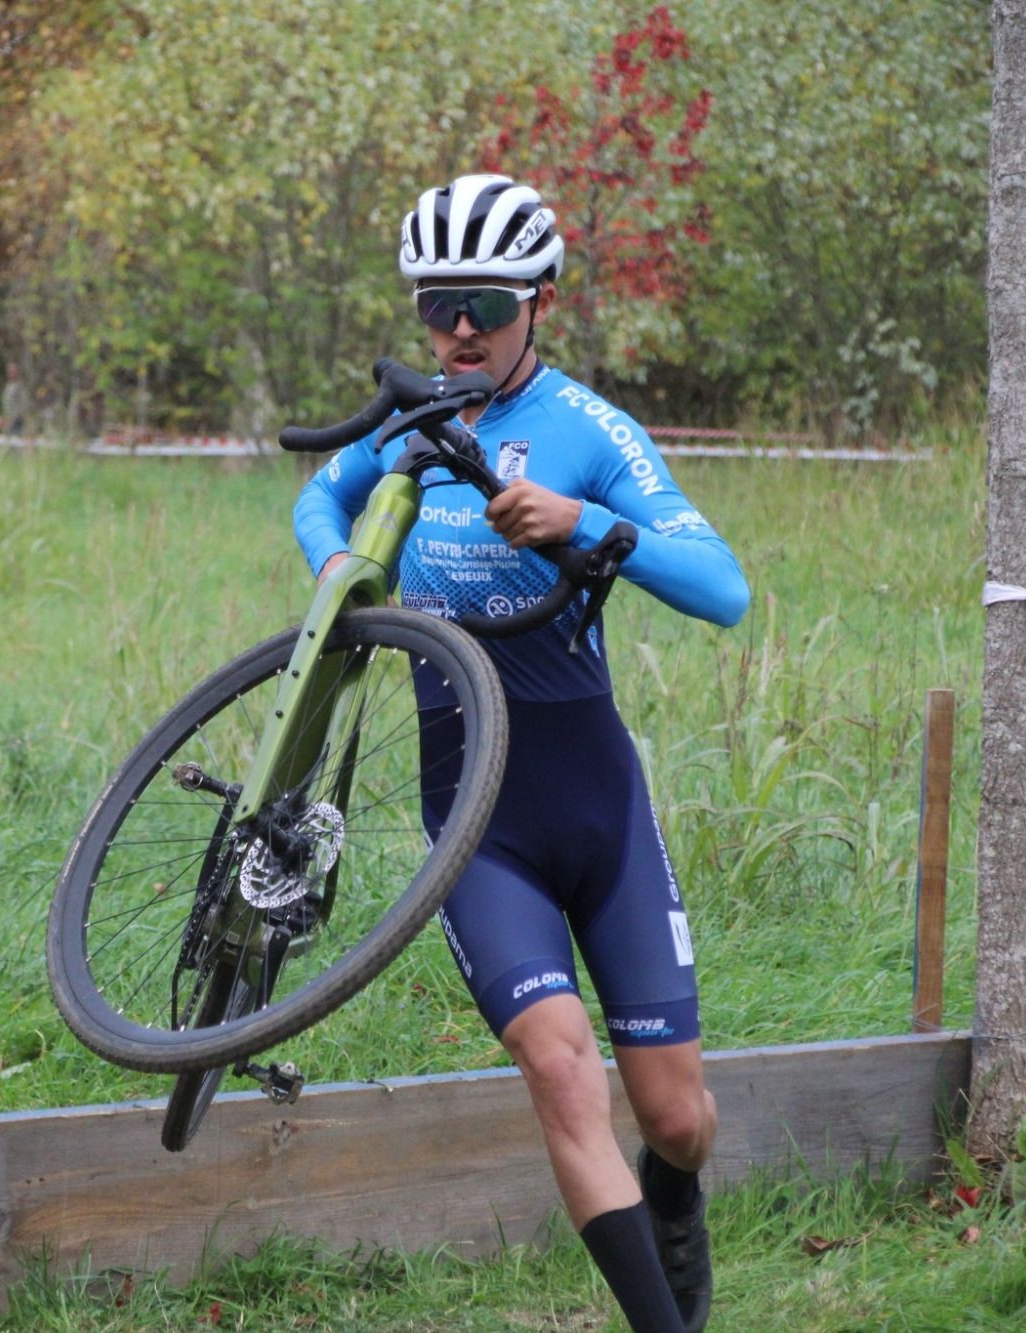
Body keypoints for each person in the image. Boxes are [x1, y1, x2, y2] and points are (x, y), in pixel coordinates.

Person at [293, 174, 749, 1332]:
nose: (459, 328)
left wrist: (579, 522)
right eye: (436, 304)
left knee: (675, 1118)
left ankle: (674, 1193)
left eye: (485, 304)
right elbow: (315, 502)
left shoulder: (588, 430)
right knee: (557, 1069)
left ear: (538, 300)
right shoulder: (405, 427)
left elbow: (723, 590)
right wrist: (338, 573)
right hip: (474, 819)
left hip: (594, 807)